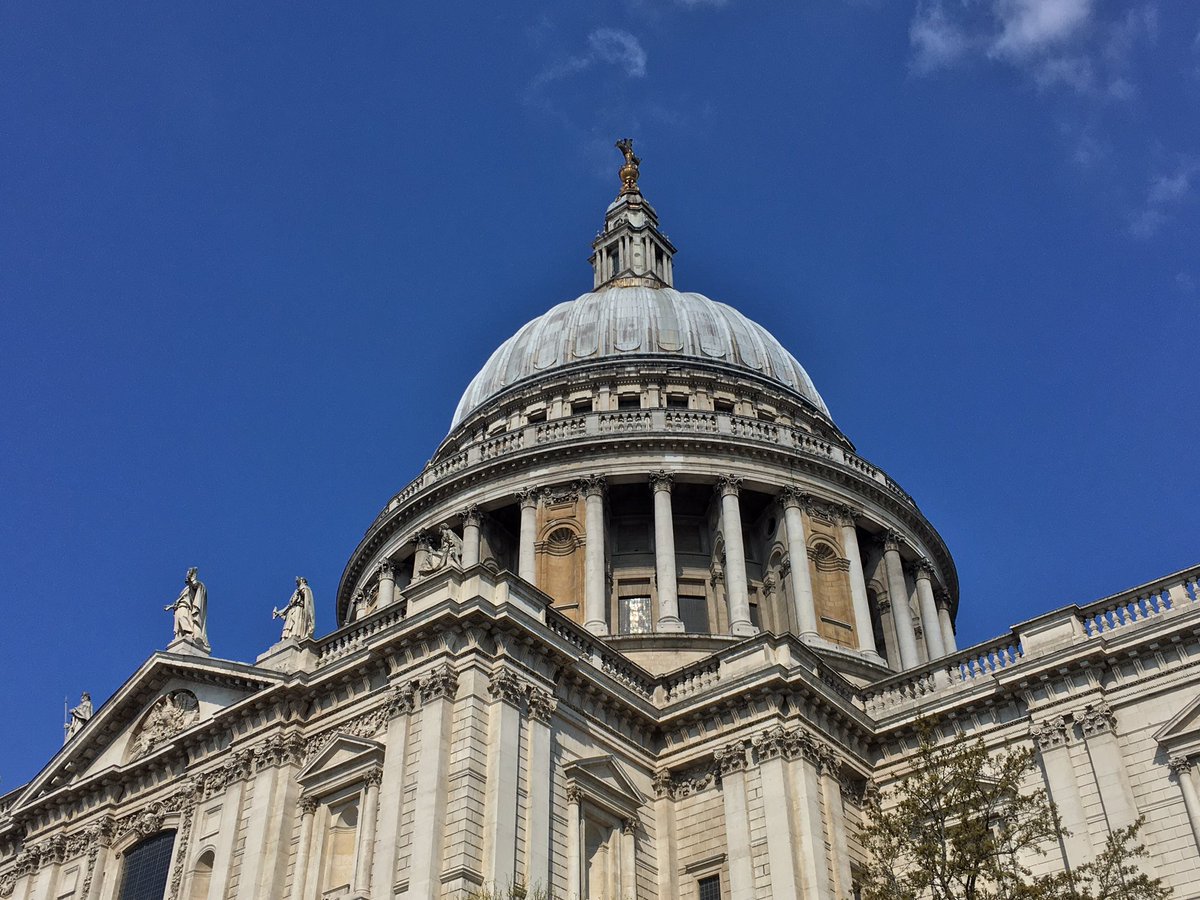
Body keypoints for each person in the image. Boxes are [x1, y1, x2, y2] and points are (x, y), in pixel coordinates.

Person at [164, 567, 209, 649]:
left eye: (189, 574)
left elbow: (196, 586)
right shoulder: (185, 590)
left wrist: (192, 580)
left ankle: (188, 633)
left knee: (183, 617)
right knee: (178, 622)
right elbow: (178, 601)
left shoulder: (193, 586)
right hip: (179, 607)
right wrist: (170, 607)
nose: (187, 576)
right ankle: (181, 636)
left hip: (185, 606)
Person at [273, 576, 315, 641]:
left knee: (296, 623)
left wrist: (301, 589)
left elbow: (306, 598)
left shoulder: (305, 588)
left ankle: (295, 635)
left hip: (299, 609)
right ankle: (285, 638)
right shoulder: (297, 591)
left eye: (299, 580)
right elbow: (290, 605)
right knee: (288, 625)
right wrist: (279, 612)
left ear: (303, 581)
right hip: (292, 610)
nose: (296, 583)